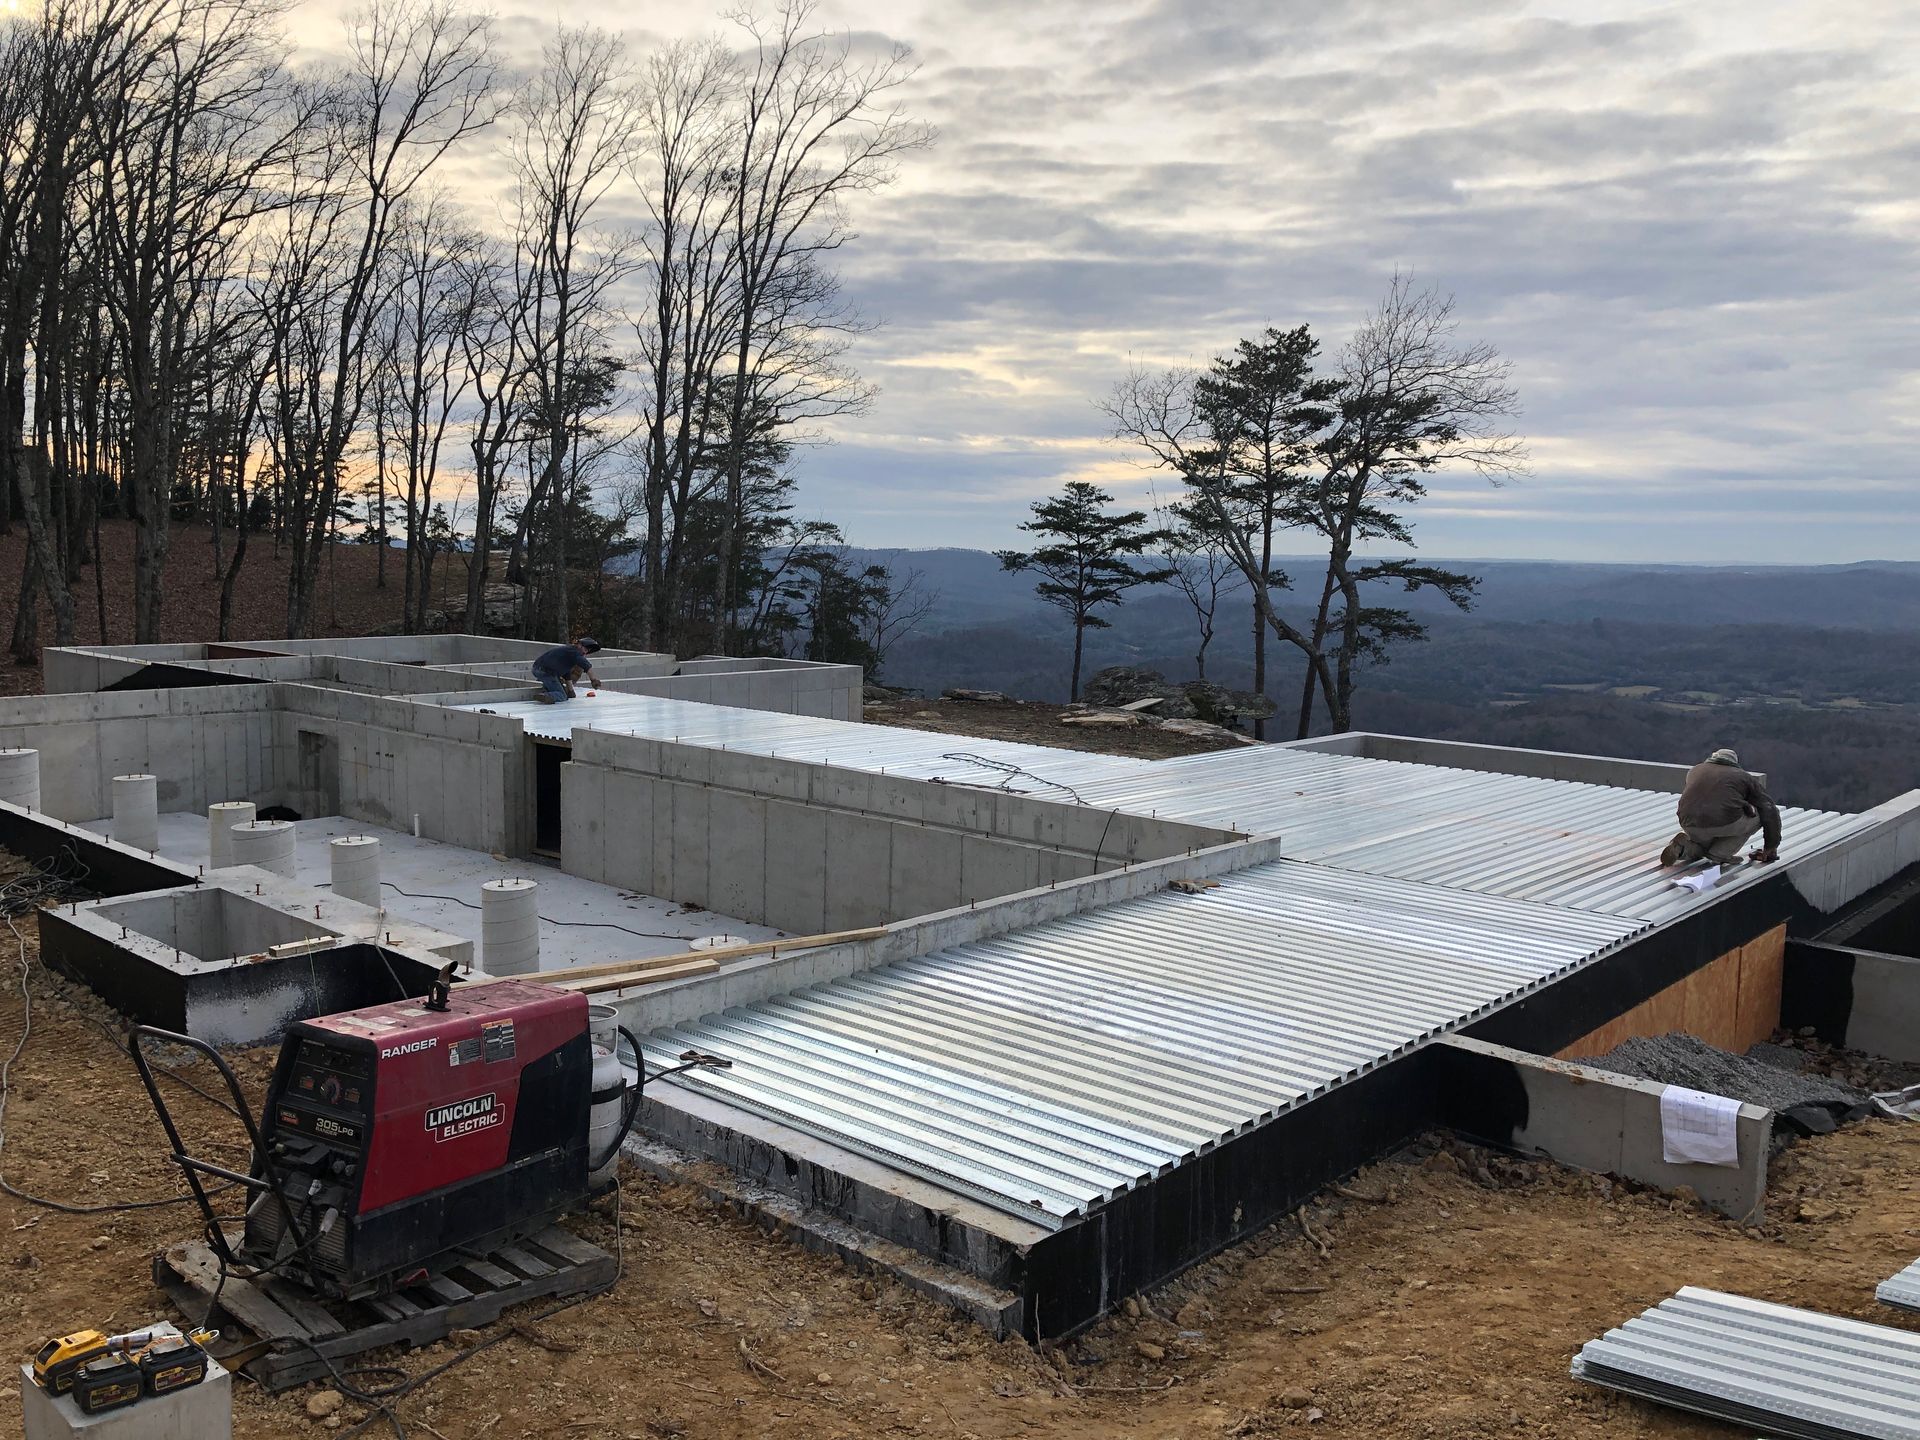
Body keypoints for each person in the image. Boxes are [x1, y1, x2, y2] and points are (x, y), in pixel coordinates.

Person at [1660, 747, 1781, 867]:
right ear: (1734, 763)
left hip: (1688, 821)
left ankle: (1683, 848)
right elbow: (1769, 809)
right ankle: (1720, 853)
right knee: (1760, 814)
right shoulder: (1743, 777)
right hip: (1721, 822)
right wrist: (1771, 846)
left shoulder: (1695, 771)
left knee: (1704, 844)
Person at [530, 636, 601, 703]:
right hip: (546, 672)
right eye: (585, 649)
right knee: (562, 696)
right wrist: (593, 680)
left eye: (587, 651)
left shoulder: (569, 652)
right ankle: (547, 696)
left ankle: (546, 691)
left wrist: (571, 691)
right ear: (579, 645)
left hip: (540, 670)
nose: (585, 653)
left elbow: (566, 674)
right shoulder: (574, 652)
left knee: (561, 690)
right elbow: (586, 665)